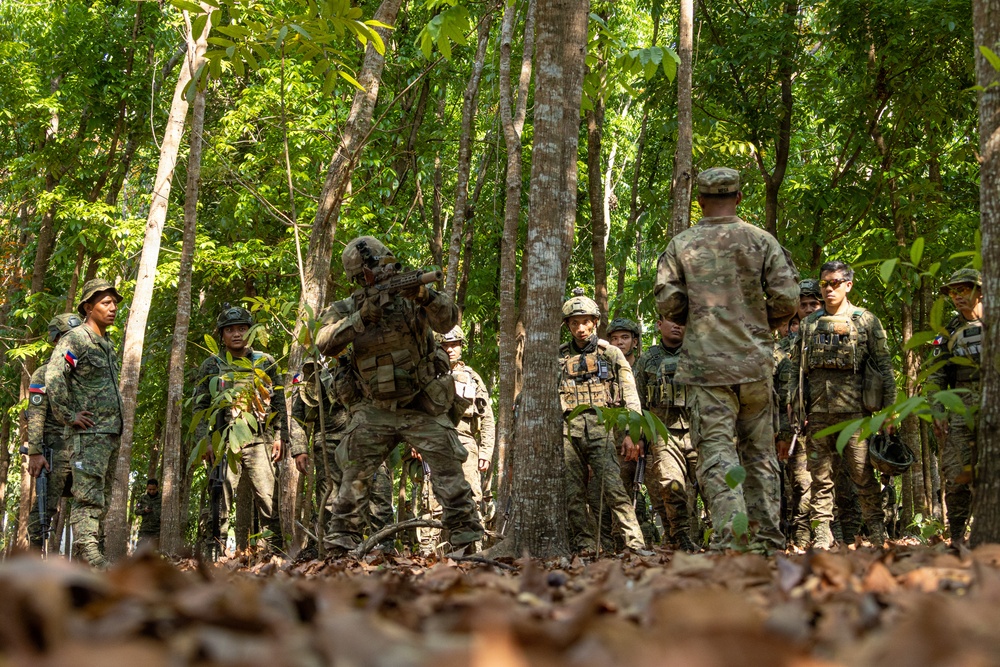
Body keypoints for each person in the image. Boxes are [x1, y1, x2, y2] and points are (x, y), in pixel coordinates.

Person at [655, 167, 799, 553]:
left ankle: (733, 540)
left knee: (718, 453)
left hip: (708, 368)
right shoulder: (761, 241)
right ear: (738, 198)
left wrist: (699, 320)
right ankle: (767, 539)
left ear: (699, 201)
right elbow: (787, 298)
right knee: (760, 454)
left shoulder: (681, 244)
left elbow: (669, 303)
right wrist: (756, 322)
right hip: (754, 365)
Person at [315, 236, 483, 555]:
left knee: (449, 471)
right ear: (357, 278)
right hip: (373, 407)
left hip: (421, 401)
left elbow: (448, 319)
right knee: (352, 476)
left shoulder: (413, 298)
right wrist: (360, 318)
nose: (379, 274)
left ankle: (465, 543)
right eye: (370, 271)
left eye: (383, 266)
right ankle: (339, 548)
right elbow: (323, 341)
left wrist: (423, 295)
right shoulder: (347, 307)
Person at [789, 260, 897, 549]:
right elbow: (797, 370)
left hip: (856, 416)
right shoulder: (809, 324)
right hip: (818, 416)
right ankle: (822, 538)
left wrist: (888, 412)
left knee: (863, 477)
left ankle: (877, 534)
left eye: (835, 283)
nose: (828, 288)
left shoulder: (866, 321)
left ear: (848, 285)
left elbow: (885, 368)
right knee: (820, 481)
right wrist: (796, 407)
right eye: (825, 283)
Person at [193, 305, 288, 555]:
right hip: (224, 441)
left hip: (260, 440)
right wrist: (206, 442)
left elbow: (279, 403)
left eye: (242, 329)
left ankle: (274, 555)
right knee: (218, 502)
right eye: (230, 330)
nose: (237, 334)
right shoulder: (212, 364)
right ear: (221, 335)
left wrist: (280, 437)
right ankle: (214, 554)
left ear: (251, 332)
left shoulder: (264, 362)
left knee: (269, 500)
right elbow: (200, 406)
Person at [558, 288, 647, 553]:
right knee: (573, 493)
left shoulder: (611, 354)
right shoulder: (560, 356)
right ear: (568, 326)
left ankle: (635, 543)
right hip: (568, 431)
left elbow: (630, 396)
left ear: (595, 322)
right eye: (574, 323)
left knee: (614, 489)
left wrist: (633, 433)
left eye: (585, 321)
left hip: (603, 430)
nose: (581, 328)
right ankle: (585, 545)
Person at [46, 279, 126, 567]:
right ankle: (91, 557)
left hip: (109, 433)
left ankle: (90, 556)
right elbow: (54, 376)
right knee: (87, 497)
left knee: (101, 496)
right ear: (88, 307)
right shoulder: (75, 339)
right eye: (105, 303)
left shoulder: (107, 344)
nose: (113, 308)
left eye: (114, 302)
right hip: (88, 433)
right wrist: (68, 415)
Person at [290, 360, 394, 556]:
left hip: (368, 436)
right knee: (331, 498)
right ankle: (336, 550)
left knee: (379, 491)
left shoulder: (364, 355)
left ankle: (384, 548)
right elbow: (298, 415)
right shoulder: (313, 368)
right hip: (329, 440)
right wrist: (299, 448)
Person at [927, 268, 984, 547]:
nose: (958, 296)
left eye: (964, 289)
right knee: (957, 476)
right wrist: (938, 413)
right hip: (961, 411)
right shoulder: (947, 332)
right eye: (953, 291)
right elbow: (935, 376)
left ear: (980, 292)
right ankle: (958, 536)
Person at [634, 315, 699, 552]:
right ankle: (680, 536)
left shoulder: (700, 353)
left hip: (699, 431)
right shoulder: (647, 360)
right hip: (663, 434)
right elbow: (638, 401)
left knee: (711, 484)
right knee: (671, 487)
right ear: (659, 325)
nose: (677, 324)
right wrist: (639, 437)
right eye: (670, 320)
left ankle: (721, 533)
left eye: (680, 319)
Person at [25, 313, 82, 550]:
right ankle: (34, 564)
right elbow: (36, 414)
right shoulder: (44, 373)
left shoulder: (85, 375)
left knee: (88, 508)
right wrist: (36, 451)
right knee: (44, 508)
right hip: (54, 451)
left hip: (82, 450)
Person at [134, 478, 161, 546]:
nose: (152, 491)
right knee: (141, 549)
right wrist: (144, 510)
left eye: (153, 489)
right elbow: (136, 511)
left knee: (155, 551)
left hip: (157, 530)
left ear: (157, 487)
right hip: (144, 529)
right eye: (150, 489)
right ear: (147, 488)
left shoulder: (161, 498)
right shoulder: (142, 498)